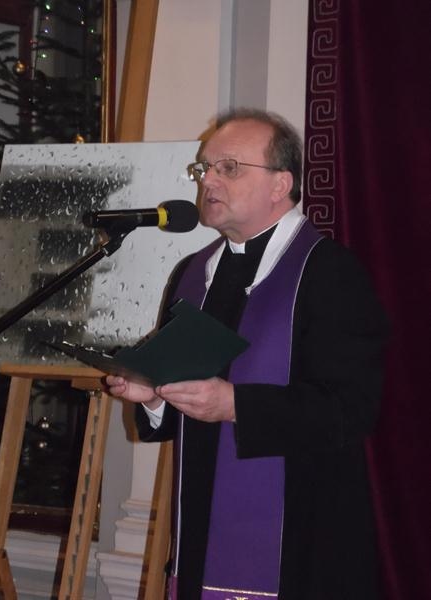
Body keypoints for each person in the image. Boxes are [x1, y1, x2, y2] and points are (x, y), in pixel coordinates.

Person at [106, 109, 388, 600]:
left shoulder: (329, 273)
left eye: (229, 168)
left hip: (304, 537)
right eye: (204, 168)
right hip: (200, 533)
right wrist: (153, 395)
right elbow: (183, 411)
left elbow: (350, 409)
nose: (207, 181)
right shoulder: (194, 274)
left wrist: (235, 405)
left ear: (281, 184)